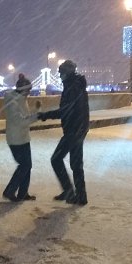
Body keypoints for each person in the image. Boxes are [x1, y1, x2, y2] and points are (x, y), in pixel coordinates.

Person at [37, 60, 89, 205]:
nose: (59, 76)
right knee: (73, 163)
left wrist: (45, 115)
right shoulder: (74, 85)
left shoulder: (73, 88)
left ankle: (74, 193)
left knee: (60, 160)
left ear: (67, 72)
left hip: (74, 129)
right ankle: (76, 194)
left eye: (61, 73)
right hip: (77, 128)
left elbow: (65, 111)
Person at [2, 74, 38, 202]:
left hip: (24, 137)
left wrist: (36, 109)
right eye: (28, 90)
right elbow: (20, 121)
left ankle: (23, 193)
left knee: (27, 166)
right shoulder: (12, 102)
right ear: (22, 90)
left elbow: (25, 115)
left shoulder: (21, 99)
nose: (29, 93)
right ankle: (9, 191)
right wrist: (36, 116)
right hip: (15, 139)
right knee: (24, 165)